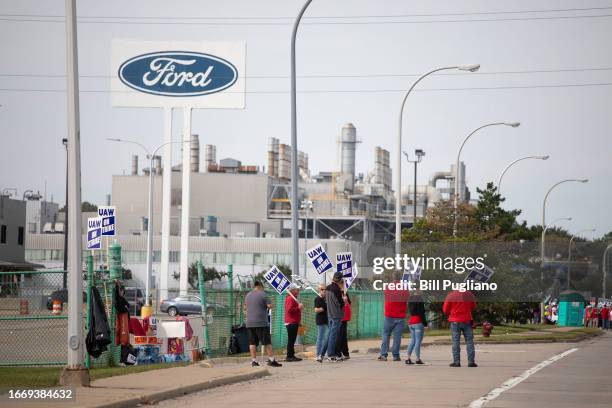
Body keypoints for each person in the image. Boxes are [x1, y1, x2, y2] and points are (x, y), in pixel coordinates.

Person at [245, 281, 282, 367]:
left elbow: (245, 307)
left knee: (252, 343)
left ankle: (254, 361)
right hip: (261, 322)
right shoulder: (263, 294)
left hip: (249, 323)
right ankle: (272, 360)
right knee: (266, 342)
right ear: (260, 286)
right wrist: (269, 305)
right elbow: (269, 306)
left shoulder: (248, 295)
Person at [443, 289, 477, 368]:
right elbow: (473, 307)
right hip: (467, 320)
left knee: (455, 341)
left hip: (455, 320)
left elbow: (445, 310)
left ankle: (456, 362)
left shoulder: (451, 295)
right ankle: (471, 362)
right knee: (469, 341)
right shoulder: (469, 294)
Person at [378, 278, 409, 361]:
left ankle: (383, 354)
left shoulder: (388, 287)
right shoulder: (404, 288)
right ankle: (396, 355)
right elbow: (407, 299)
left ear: (393, 277)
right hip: (400, 316)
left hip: (389, 315)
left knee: (386, 334)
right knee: (397, 337)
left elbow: (386, 295)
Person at [325, 271, 345, 362]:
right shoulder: (336, 289)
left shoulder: (328, 288)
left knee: (330, 335)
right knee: (333, 335)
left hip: (329, 314)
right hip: (336, 314)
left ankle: (325, 354)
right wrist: (343, 301)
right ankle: (331, 354)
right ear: (340, 279)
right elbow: (339, 303)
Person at [406, 290, 427, 365]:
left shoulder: (410, 299)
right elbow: (421, 313)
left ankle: (408, 358)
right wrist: (425, 324)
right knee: (418, 341)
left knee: (412, 340)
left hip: (411, 321)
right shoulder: (420, 300)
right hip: (418, 322)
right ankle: (417, 359)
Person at [284, 285, 303, 362]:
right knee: (291, 339)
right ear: (292, 290)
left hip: (294, 321)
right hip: (291, 322)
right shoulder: (290, 298)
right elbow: (289, 310)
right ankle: (289, 356)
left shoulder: (293, 298)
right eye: (296, 289)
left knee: (292, 339)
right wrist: (298, 307)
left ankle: (291, 355)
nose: (298, 291)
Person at [314, 284, 328, 362]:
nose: (324, 291)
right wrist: (324, 308)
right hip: (321, 320)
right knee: (320, 337)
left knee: (326, 338)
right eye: (323, 289)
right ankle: (318, 354)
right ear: (319, 290)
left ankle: (324, 353)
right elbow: (316, 310)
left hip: (327, 319)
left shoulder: (326, 299)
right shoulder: (317, 299)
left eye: (325, 289)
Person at [335, 291, 351, 360]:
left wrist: (346, 300)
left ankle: (345, 353)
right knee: (339, 336)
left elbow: (349, 303)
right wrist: (342, 301)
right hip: (339, 317)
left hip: (345, 317)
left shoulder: (345, 293)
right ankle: (338, 353)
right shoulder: (336, 293)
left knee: (344, 336)